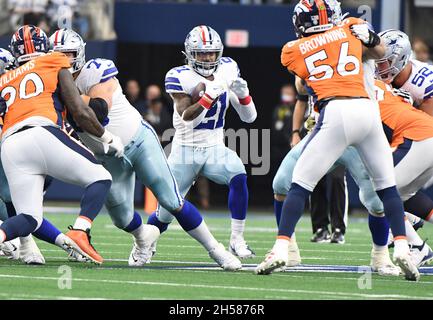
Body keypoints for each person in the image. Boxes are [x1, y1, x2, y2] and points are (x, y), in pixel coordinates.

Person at [51, 28, 242, 270]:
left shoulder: (95, 69)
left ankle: (217, 251)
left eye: (69, 53)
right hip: (107, 156)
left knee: (172, 200)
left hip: (139, 141)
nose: (65, 60)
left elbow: (99, 110)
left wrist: (66, 98)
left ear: (80, 53)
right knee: (121, 218)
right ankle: (143, 238)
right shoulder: (49, 85)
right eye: (59, 55)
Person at [256, 1, 419, 281]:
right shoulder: (352, 27)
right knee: (385, 187)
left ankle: (377, 255)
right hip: (362, 116)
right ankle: (402, 246)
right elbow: (378, 51)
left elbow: (304, 80)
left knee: (304, 184)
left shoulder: (294, 48)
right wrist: (369, 38)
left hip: (335, 118)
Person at [0, 25, 124, 265]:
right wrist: (107, 138)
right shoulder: (54, 60)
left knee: (29, 217)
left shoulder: (4, 79)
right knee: (101, 177)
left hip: (10, 144)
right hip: (40, 131)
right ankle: (80, 231)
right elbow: (80, 111)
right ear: (45, 47)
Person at [147, 25, 257, 259]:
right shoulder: (179, 76)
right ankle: (144, 245)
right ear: (189, 54)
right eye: (201, 53)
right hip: (184, 151)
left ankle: (237, 240)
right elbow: (186, 117)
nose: (207, 58)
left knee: (238, 175)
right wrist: (208, 97)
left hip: (214, 147)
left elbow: (250, 117)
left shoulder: (228, 68)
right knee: (164, 213)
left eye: (211, 52)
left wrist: (245, 95)